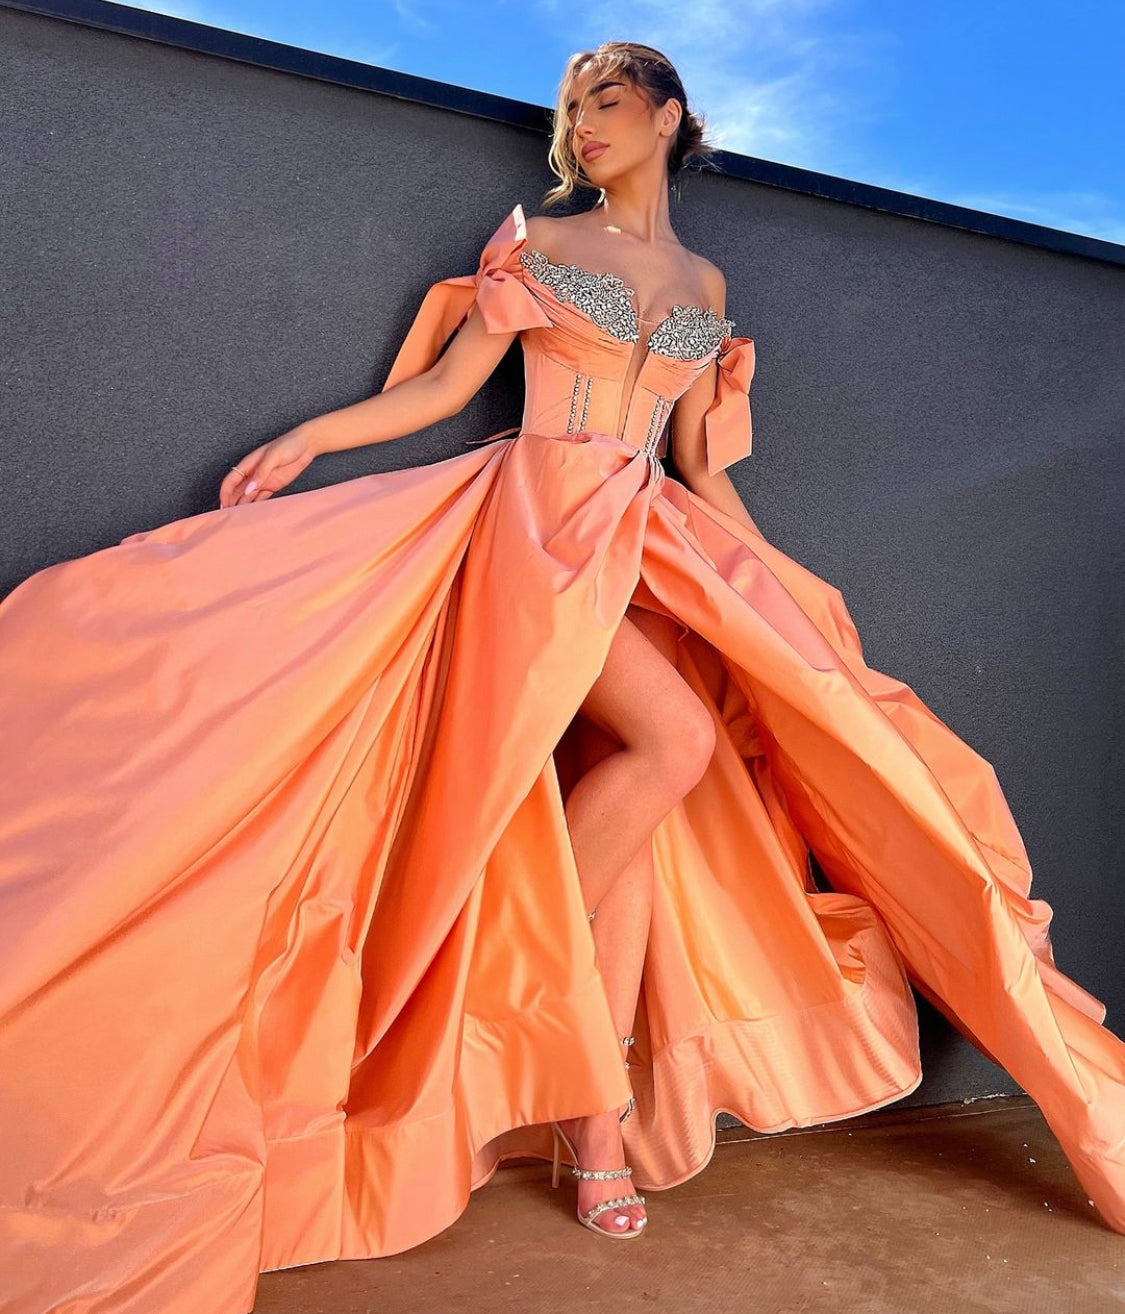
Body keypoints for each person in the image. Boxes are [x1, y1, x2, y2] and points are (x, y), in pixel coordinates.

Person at [1, 35, 1123, 1310]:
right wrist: (311, 435)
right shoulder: (537, 244)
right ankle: (538, 1004)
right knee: (677, 748)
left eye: (605, 100)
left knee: (663, 810)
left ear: (667, 114)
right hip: (530, 537)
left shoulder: (706, 279)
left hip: (648, 545)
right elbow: (444, 390)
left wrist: (794, 590)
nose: (582, 123)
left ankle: (594, 1116)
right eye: (571, 105)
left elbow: (705, 469)